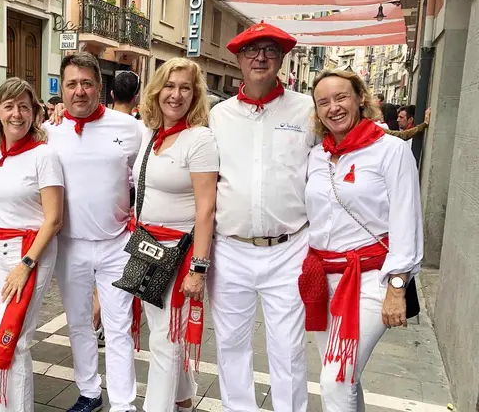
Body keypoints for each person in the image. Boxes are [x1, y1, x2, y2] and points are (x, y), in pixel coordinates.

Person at [299, 69, 423, 412]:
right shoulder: (318, 155)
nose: (333, 107)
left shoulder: (391, 151)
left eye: (341, 97)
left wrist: (397, 285)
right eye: (323, 102)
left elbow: (406, 220)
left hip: (370, 278)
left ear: (360, 99)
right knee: (343, 378)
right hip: (322, 280)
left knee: (335, 378)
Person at [208, 22, 315, 412]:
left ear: (281, 59)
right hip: (231, 249)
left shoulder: (306, 109)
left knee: (287, 347)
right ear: (237, 59)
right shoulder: (218, 115)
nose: (261, 57)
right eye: (252, 51)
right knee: (230, 343)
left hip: (289, 248)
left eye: (270, 50)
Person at [45, 51, 142, 412]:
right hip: (69, 246)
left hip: (118, 243)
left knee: (118, 325)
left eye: (87, 83)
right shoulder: (49, 132)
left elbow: (149, 173)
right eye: (72, 84)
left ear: (100, 87)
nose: (80, 91)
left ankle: (122, 403)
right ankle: (89, 392)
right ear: (62, 89)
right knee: (79, 324)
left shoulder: (129, 127)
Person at [132, 57, 218, 412]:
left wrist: (198, 268)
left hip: (179, 254)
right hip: (148, 248)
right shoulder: (151, 134)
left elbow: (206, 209)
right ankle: (183, 398)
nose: (176, 94)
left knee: (166, 341)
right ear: (157, 90)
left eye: (186, 88)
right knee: (166, 334)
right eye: (170, 85)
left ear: (196, 95)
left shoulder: (199, 139)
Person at [0, 77, 64, 410]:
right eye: (9, 106)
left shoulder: (44, 156)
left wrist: (25, 265)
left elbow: (54, 219)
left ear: (35, 113)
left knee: (15, 340)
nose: (17, 114)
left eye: (24, 107)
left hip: (28, 254)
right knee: (0, 337)